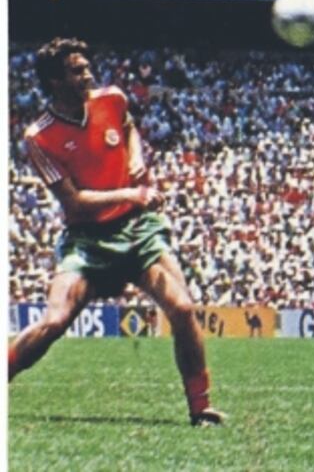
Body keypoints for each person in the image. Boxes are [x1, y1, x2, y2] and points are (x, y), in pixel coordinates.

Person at [8, 38, 225, 427]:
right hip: (88, 242)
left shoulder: (112, 98)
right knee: (54, 322)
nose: (88, 74)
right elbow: (73, 204)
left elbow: (128, 130)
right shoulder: (38, 137)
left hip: (137, 231)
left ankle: (200, 407)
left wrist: (137, 160)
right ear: (55, 81)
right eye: (77, 70)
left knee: (184, 308)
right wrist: (134, 192)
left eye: (87, 67)